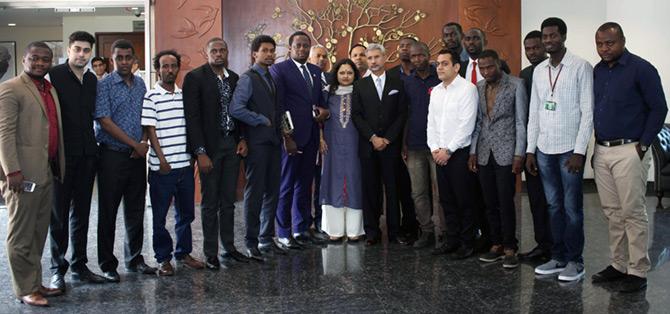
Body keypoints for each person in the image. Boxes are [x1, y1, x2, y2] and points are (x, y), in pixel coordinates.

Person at [591, 22, 667, 292]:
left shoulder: (641, 69)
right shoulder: (598, 71)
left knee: (632, 212)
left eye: (609, 43)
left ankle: (637, 270)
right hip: (602, 150)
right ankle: (618, 264)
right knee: (612, 212)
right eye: (599, 43)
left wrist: (644, 145)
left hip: (629, 149)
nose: (604, 48)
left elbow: (659, 108)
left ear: (622, 40)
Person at [526, 17, 594, 282]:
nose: (548, 40)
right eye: (545, 37)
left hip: (569, 151)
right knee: (553, 206)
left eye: (553, 36)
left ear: (563, 37)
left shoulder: (581, 67)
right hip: (544, 148)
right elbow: (535, 112)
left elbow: (588, 112)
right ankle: (558, 257)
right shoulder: (540, 70)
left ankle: (576, 261)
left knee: (572, 208)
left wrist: (580, 151)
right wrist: (531, 150)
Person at [0, 41, 66, 307]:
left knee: (39, 232)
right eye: (34, 58)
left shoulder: (48, 89)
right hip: (22, 175)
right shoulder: (10, 89)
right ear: (24, 59)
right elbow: (3, 133)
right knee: (21, 235)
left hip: (45, 171)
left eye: (45, 59)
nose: (40, 63)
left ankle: (35, 282)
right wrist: (11, 171)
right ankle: (24, 289)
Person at [183, 37, 249, 270]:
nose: (219, 54)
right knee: (210, 202)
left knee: (228, 201)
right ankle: (211, 252)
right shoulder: (195, 78)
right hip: (209, 148)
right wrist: (200, 152)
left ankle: (229, 248)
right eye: (214, 51)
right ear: (206, 52)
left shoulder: (234, 78)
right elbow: (192, 118)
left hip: (231, 144)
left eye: (222, 50)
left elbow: (240, 112)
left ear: (227, 52)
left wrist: (242, 138)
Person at [48, 31, 105, 291]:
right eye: (77, 49)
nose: (81, 54)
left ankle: (79, 266)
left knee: (81, 213)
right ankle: (57, 269)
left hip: (87, 156)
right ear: (69, 50)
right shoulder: (55, 76)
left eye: (86, 50)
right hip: (61, 156)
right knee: (59, 214)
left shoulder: (93, 80)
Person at [95, 39, 157, 282]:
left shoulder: (140, 83)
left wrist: (141, 143)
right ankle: (107, 263)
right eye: (118, 58)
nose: (123, 62)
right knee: (108, 211)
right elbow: (104, 120)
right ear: (112, 59)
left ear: (133, 60)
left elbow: (145, 116)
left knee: (135, 208)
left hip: (136, 157)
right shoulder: (105, 85)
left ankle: (134, 259)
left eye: (127, 57)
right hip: (112, 155)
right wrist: (134, 145)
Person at [142, 49, 206, 276]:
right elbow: (150, 131)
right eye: (164, 66)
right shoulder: (151, 96)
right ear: (157, 69)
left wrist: (191, 158)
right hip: (162, 168)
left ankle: (183, 253)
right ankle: (163, 258)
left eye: (173, 66)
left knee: (186, 214)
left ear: (178, 69)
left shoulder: (184, 95)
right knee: (159, 216)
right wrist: (162, 160)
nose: (169, 70)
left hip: (185, 166)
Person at [230, 35, 288, 260]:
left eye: (272, 50)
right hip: (256, 143)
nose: (270, 54)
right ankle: (251, 242)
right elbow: (236, 108)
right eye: (265, 50)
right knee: (254, 193)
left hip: (274, 142)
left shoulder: (271, 78)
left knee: (272, 191)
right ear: (255, 54)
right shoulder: (248, 78)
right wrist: (260, 119)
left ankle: (266, 239)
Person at [468, 49, 527, 269]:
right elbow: (479, 122)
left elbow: (521, 122)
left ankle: (511, 246)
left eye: (490, 67)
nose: (486, 71)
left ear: (499, 64)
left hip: (507, 152)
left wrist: (519, 153)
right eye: (482, 68)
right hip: (484, 152)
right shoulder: (479, 87)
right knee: (489, 201)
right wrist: (473, 151)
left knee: (505, 201)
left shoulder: (516, 85)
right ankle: (496, 244)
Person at [271, 31, 330, 248]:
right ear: (290, 48)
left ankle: (300, 229)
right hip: (291, 139)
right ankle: (284, 233)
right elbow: (279, 107)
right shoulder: (280, 70)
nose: (302, 49)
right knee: (286, 185)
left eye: (306, 46)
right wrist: (287, 137)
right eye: (298, 46)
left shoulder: (315, 71)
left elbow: (321, 102)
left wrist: (325, 112)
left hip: (311, 136)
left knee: (305, 186)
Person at [351, 43, 407, 246]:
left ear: (384, 58)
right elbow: (356, 115)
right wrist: (373, 137)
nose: (373, 61)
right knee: (370, 189)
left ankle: (394, 232)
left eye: (377, 57)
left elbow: (402, 114)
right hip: (368, 146)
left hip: (391, 146)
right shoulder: (359, 85)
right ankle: (372, 232)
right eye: (370, 58)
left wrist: (388, 139)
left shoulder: (397, 82)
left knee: (393, 190)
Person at [427, 49, 478, 259]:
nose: (439, 67)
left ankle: (467, 243)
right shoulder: (436, 91)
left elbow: (467, 124)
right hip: (439, 153)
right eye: (438, 64)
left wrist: (448, 150)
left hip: (458, 153)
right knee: (446, 200)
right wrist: (434, 148)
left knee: (464, 200)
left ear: (456, 67)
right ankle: (452, 240)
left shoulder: (468, 89)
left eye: (444, 63)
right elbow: (431, 122)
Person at [402, 42, 445, 249]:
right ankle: (426, 231)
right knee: (418, 191)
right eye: (413, 56)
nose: (417, 59)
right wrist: (404, 143)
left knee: (441, 191)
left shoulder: (440, 78)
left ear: (429, 55)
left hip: (438, 145)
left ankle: (444, 231)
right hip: (415, 144)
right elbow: (405, 115)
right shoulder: (407, 82)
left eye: (421, 55)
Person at [320, 58, 365, 242]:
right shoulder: (326, 94)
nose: (345, 76)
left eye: (349, 73)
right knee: (332, 180)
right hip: (332, 144)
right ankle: (335, 230)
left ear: (354, 75)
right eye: (342, 72)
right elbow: (317, 118)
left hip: (356, 144)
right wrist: (320, 138)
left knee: (355, 180)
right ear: (335, 74)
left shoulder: (361, 93)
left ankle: (355, 230)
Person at [517, 30, 552, 262]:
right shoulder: (525, 74)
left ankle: (559, 246)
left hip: (555, 144)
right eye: (527, 49)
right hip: (533, 145)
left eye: (536, 48)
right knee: (537, 200)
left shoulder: (555, 71)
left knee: (556, 202)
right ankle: (543, 245)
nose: (532, 53)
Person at [387, 36, 420, 244]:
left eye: (408, 46)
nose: (404, 49)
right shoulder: (391, 75)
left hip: (420, 136)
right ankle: (404, 226)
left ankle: (422, 225)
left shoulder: (426, 72)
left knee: (420, 187)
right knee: (400, 186)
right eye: (401, 46)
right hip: (396, 139)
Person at [308, 44, 330, 236]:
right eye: (318, 56)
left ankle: (321, 221)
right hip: (311, 138)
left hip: (330, 141)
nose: (321, 59)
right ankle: (304, 222)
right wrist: (320, 136)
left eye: (324, 56)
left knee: (323, 183)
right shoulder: (307, 79)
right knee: (307, 182)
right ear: (310, 59)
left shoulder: (331, 79)